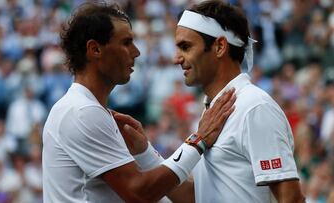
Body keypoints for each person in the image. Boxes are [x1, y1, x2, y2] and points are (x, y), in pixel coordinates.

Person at [42, 2, 236, 203]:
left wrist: (145, 152)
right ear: (95, 49)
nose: (136, 52)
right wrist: (198, 140)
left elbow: (180, 197)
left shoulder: (89, 110)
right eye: (126, 43)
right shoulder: (82, 111)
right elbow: (139, 194)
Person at [115, 0, 306, 202]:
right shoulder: (214, 110)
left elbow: (291, 198)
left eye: (185, 47)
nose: (176, 59)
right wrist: (146, 153)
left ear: (220, 47)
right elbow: (196, 197)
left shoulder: (254, 107)